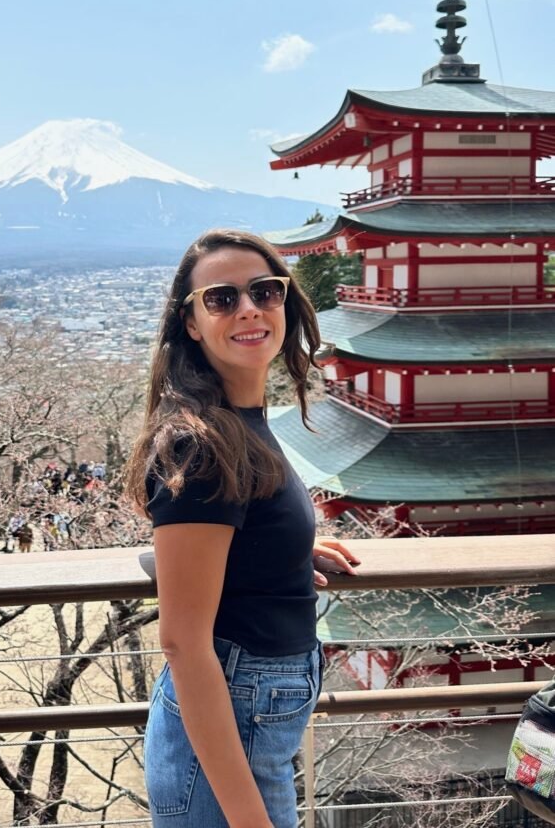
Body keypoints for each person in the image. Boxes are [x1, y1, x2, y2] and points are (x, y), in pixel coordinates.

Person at [125, 229, 360, 828]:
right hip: (227, 738)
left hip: (248, 722)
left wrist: (280, 552)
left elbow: (208, 540)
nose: (249, 308)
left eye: (264, 290)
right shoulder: (197, 445)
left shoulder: (237, 422)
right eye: (221, 298)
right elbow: (182, 641)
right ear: (192, 323)